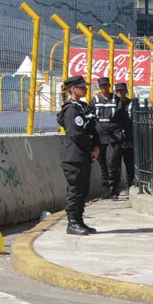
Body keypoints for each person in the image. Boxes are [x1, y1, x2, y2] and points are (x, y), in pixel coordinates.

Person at [57, 75, 100, 235]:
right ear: (73, 89)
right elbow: (76, 134)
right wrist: (91, 148)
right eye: (81, 87)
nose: (85, 88)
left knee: (83, 190)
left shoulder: (84, 107)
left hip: (84, 156)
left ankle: (79, 220)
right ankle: (72, 223)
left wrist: (96, 146)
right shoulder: (71, 110)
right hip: (74, 157)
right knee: (75, 190)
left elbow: (94, 128)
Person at [92, 75, 124, 200]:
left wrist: (127, 136)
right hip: (99, 137)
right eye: (101, 86)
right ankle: (106, 190)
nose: (103, 88)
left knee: (112, 162)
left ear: (109, 86)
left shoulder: (116, 100)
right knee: (103, 164)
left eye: (105, 86)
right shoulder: (95, 101)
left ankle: (114, 190)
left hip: (114, 136)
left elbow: (123, 119)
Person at [114, 82, 135, 192]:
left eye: (122, 91)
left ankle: (129, 184)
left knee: (129, 163)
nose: (120, 93)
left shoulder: (131, 104)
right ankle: (115, 187)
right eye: (117, 91)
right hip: (116, 138)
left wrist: (131, 139)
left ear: (126, 91)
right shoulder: (113, 104)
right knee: (115, 164)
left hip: (128, 137)